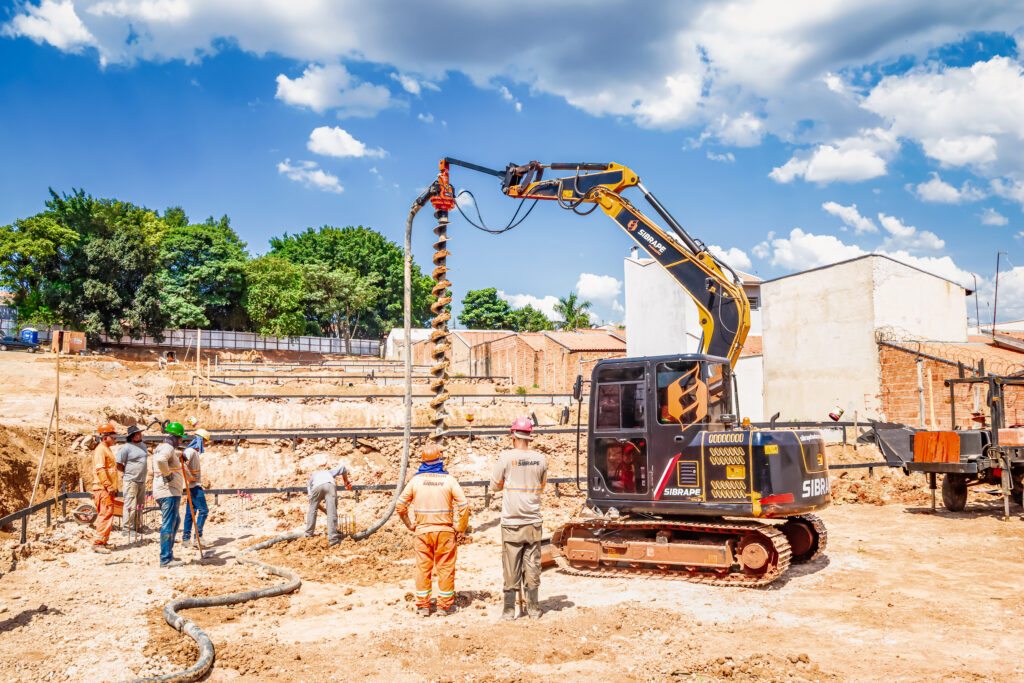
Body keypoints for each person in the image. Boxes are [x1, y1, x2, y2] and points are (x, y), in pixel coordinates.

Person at [396, 443, 469, 617]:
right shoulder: (449, 480)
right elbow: (464, 506)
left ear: (423, 461)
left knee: (423, 569)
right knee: (445, 568)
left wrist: (410, 525)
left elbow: (400, 506)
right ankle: (444, 607)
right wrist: (461, 528)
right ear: (440, 460)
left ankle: (423, 607)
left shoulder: (415, 481)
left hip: (422, 532)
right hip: (445, 532)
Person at [490, 417, 547, 620]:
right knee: (532, 564)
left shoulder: (505, 458)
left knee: (510, 564)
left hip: (511, 522)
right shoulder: (541, 459)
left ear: (512, 435)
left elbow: (495, 485)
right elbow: (541, 486)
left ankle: (508, 610)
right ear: (530, 436)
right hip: (532, 521)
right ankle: (533, 608)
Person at [153, 422, 186, 568]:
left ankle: (168, 554)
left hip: (168, 492)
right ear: (176, 437)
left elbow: (168, 456)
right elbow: (161, 460)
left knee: (175, 521)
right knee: (169, 523)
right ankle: (165, 559)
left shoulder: (165, 447)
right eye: (180, 438)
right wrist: (168, 474)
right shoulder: (167, 447)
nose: (181, 441)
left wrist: (179, 454)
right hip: (168, 492)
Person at [305, 461, 352, 546]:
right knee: (332, 513)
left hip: (316, 487)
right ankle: (333, 540)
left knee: (312, 510)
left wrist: (323, 510)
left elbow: (311, 501)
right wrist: (346, 481)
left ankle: (308, 535)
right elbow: (343, 468)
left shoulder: (312, 479)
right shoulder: (328, 472)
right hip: (329, 485)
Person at [90, 422, 120, 554]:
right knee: (105, 514)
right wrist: (108, 485)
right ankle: (98, 543)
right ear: (104, 437)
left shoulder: (106, 449)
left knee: (108, 514)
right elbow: (100, 470)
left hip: (106, 488)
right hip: (103, 488)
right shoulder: (101, 450)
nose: (115, 439)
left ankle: (104, 541)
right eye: (113, 437)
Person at [115, 425, 149, 536]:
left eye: (140, 433)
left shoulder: (143, 446)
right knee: (131, 505)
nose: (140, 435)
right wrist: (127, 471)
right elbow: (118, 463)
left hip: (141, 480)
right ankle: (127, 529)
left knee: (140, 505)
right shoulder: (125, 448)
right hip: (131, 480)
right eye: (137, 433)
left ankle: (138, 526)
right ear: (132, 437)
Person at [181, 428, 211, 547]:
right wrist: (190, 477)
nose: (205, 444)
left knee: (191, 512)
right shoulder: (190, 452)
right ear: (200, 440)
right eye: (204, 442)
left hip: (191, 486)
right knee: (204, 510)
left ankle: (186, 539)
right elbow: (182, 463)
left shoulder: (193, 452)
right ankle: (198, 537)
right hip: (193, 486)